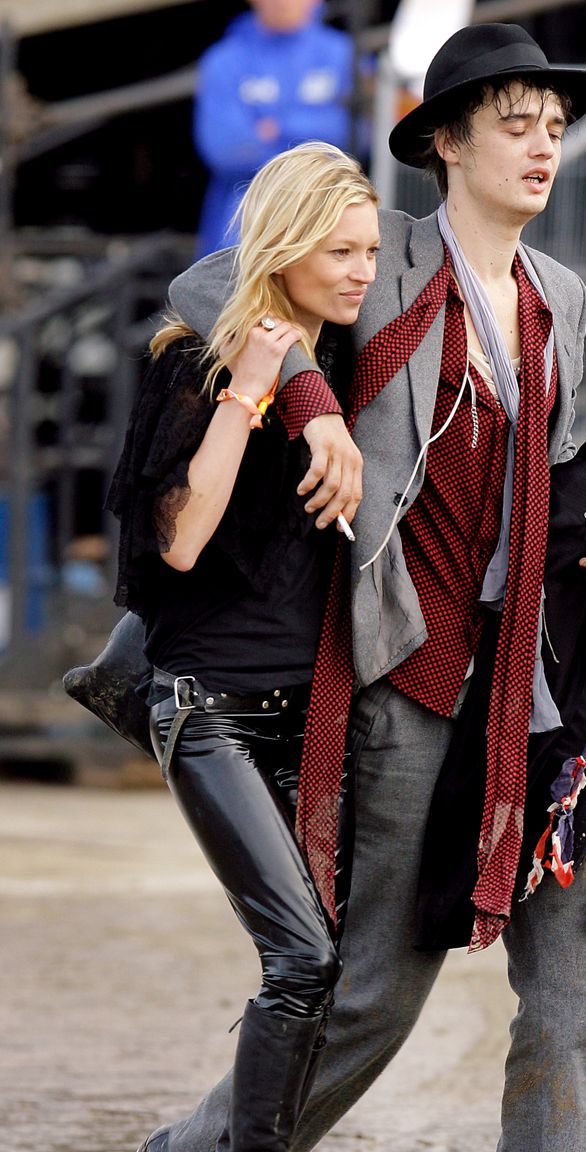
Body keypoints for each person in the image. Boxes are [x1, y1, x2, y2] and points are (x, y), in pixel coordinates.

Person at [137, 23, 586, 1152]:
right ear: (446, 145)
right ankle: (203, 1150)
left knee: (573, 990)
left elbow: (551, 475)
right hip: (405, 670)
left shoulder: (560, 295)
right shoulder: (381, 256)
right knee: (377, 990)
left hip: (541, 680)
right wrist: (314, 404)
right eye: (515, 125)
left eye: (556, 129)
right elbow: (208, 281)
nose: (543, 147)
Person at [106, 142, 378, 1152]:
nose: (360, 270)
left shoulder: (349, 360)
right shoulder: (199, 358)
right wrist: (252, 388)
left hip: (307, 716)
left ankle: (189, 1148)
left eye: (368, 252)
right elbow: (177, 538)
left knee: (333, 966)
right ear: (288, 245)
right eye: (340, 251)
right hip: (208, 707)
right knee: (301, 961)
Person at [194, 0, 354, 257]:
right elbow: (224, 148)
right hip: (243, 230)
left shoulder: (343, 53)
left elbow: (354, 133)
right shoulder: (223, 61)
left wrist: (279, 127)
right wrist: (315, 137)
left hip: (329, 214)